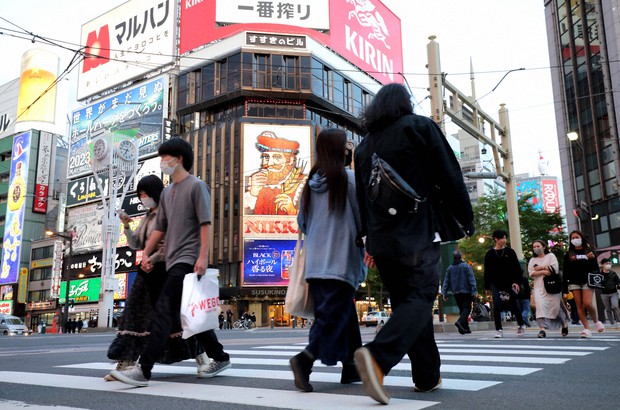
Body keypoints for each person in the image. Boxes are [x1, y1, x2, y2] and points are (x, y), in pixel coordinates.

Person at [353, 83, 474, 404]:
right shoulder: (420, 127)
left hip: (381, 240)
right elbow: (450, 174)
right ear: (404, 104)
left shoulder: (364, 146)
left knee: (410, 305)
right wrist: (465, 218)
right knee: (420, 298)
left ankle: (426, 375)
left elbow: (362, 199)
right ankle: (377, 358)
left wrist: (366, 240)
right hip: (417, 232)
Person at [111, 137, 231, 387]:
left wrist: (202, 257)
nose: (162, 161)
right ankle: (219, 357)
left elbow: (205, 224)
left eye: (166, 157)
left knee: (164, 313)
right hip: (171, 259)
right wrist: (146, 254)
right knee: (185, 316)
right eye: (161, 156)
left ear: (180, 159)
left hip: (186, 260)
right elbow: (160, 228)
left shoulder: (197, 186)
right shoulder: (167, 193)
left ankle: (143, 370)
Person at [289, 128, 366, 393]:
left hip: (315, 264)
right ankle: (305, 360)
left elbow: (303, 224)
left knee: (339, 313)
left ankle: (352, 366)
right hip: (340, 261)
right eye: (347, 144)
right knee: (331, 319)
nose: (350, 148)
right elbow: (362, 222)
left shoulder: (309, 187)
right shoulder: (350, 181)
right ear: (339, 149)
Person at [106, 175, 203, 381]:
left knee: (176, 317)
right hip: (146, 271)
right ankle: (126, 361)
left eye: (146, 194)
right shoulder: (148, 218)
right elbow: (137, 244)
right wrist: (126, 226)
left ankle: (202, 355)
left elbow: (173, 244)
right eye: (140, 195)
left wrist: (154, 257)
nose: (143, 198)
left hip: (166, 270)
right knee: (134, 314)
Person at [244, 130, 307, 215]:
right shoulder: (251, 182)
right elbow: (240, 218)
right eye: (266, 157)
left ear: (290, 160)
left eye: (276, 157)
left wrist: (293, 211)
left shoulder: (304, 183)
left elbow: (315, 217)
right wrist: (253, 194)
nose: (269, 163)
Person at [484, 230, 526, 338]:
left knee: (513, 304)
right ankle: (498, 329)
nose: (504, 240)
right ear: (496, 239)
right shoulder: (489, 254)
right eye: (502, 238)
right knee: (496, 305)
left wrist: (517, 282)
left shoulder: (510, 252)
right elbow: (487, 271)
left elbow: (517, 268)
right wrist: (487, 286)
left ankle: (521, 325)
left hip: (509, 282)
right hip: (495, 283)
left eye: (505, 238)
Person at [562, 230, 605, 338]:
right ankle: (586, 329)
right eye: (572, 238)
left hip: (587, 281)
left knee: (587, 303)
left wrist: (591, 259)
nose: (575, 239)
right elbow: (566, 271)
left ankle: (596, 321)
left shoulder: (588, 251)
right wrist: (565, 289)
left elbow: (595, 268)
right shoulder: (569, 254)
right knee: (579, 305)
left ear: (581, 238)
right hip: (573, 282)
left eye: (577, 237)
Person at [528, 240, 569, 338]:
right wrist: (543, 271)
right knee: (540, 307)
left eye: (538, 246)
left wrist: (540, 268)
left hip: (552, 286)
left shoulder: (551, 256)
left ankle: (564, 324)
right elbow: (531, 273)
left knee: (555, 307)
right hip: (538, 287)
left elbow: (554, 269)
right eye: (534, 247)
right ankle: (542, 329)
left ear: (544, 247)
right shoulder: (532, 260)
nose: (536, 248)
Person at [441, 250, 477, 334]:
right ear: (461, 257)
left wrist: (444, 292)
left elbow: (446, 281)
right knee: (467, 308)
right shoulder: (466, 266)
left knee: (462, 309)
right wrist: (474, 290)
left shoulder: (450, 268)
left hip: (456, 292)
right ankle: (460, 322)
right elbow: (471, 279)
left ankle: (465, 328)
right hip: (466, 291)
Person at [599, 258, 620, 327]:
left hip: (613, 292)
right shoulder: (599, 274)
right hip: (604, 293)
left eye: (609, 263)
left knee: (615, 306)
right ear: (602, 265)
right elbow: (597, 283)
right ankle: (612, 322)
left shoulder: (613, 273)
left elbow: (618, 282)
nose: (608, 265)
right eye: (606, 263)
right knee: (608, 309)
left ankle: (618, 320)